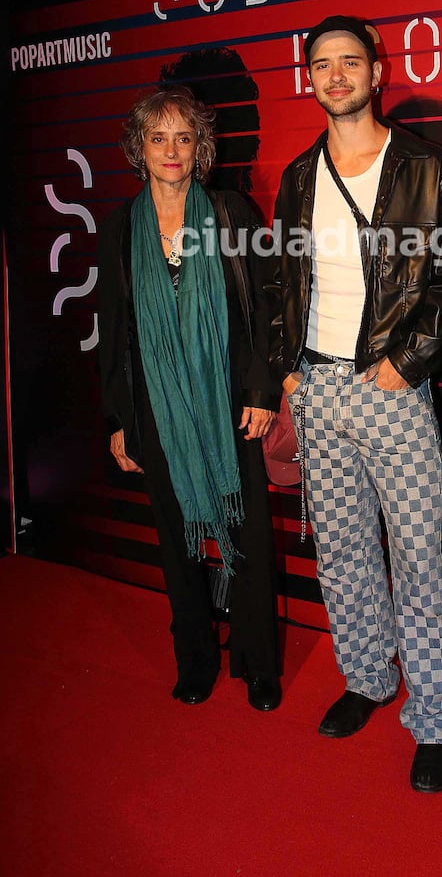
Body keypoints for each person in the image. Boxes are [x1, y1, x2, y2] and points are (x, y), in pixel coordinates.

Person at [267, 15, 442, 792]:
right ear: (308, 78)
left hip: (391, 387)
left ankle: (437, 717)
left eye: (350, 61)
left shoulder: (426, 165)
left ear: (378, 71)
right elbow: (284, 278)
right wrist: (287, 367)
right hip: (316, 387)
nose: (337, 75)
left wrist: (406, 361)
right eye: (322, 64)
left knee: (418, 558)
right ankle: (367, 679)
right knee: (342, 551)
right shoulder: (295, 176)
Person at [97, 85, 283, 711]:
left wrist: (261, 388)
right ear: (139, 148)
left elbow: (265, 310)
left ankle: (257, 661)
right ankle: (196, 657)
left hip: (231, 401)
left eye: (183, 138)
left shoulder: (231, 213)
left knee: (249, 533)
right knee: (177, 541)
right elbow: (116, 330)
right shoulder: (123, 226)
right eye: (158, 138)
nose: (172, 151)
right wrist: (120, 419)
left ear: (200, 146)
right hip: (157, 405)